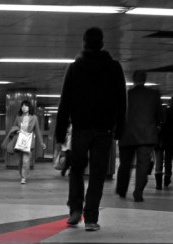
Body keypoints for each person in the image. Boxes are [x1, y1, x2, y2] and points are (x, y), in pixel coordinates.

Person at [56, 27, 126, 231]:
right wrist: (120, 130)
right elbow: (122, 101)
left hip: (80, 129)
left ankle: (75, 210)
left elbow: (65, 103)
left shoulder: (75, 68)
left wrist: (60, 133)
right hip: (104, 130)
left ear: (84, 43)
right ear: (102, 44)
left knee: (76, 169)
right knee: (97, 173)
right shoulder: (114, 68)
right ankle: (92, 218)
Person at [116, 70, 162, 202]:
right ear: (145, 79)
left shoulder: (126, 95)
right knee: (143, 165)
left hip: (127, 135)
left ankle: (121, 190)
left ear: (133, 80)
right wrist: (156, 126)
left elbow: (119, 115)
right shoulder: (154, 95)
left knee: (125, 164)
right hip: (146, 136)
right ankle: (138, 193)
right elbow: (159, 115)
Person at [3, 100, 45, 184]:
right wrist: (17, 130)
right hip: (19, 141)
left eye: (26, 106)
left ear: (29, 108)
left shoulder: (34, 118)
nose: (24, 107)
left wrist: (41, 142)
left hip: (29, 142)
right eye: (22, 106)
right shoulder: (18, 117)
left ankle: (23, 177)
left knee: (26, 161)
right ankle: (21, 174)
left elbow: (37, 131)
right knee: (21, 161)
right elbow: (14, 126)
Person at [155, 95, 173, 190]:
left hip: (160, 140)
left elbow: (158, 125)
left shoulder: (163, 111)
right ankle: (166, 180)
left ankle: (159, 184)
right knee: (168, 161)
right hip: (170, 141)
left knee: (159, 161)